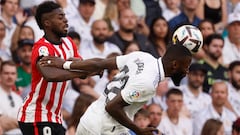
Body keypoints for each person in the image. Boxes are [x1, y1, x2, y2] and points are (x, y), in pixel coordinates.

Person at [39, 43, 193, 135]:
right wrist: (138, 130)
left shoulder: (142, 56)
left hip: (91, 119)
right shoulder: (148, 84)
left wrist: (65, 64)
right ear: (174, 65)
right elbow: (112, 106)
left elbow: (101, 64)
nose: (187, 71)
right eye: (186, 67)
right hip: (101, 128)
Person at [17, 1, 99, 135]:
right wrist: (76, 70)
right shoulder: (42, 47)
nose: (66, 20)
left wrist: (86, 68)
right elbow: (50, 75)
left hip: (55, 116)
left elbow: (82, 70)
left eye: (65, 16)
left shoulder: (69, 43)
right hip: (36, 114)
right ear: (47, 23)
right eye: (60, 17)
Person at [0, 61, 23, 135]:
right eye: (6, 73)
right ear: (0, 75)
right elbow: (2, 122)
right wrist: (23, 124)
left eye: (13, 73)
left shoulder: (18, 98)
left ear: (16, 76)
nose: (10, 76)